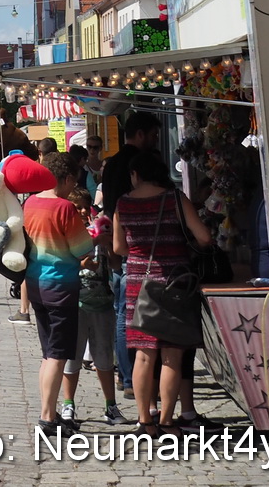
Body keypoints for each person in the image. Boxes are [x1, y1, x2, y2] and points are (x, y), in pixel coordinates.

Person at [112, 149, 211, 436]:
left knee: (143, 356)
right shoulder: (175, 198)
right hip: (175, 283)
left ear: (135, 174)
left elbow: (119, 249)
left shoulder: (123, 203)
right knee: (172, 355)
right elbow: (204, 237)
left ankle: (145, 421)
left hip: (138, 284)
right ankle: (168, 421)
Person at [24, 153, 94, 434]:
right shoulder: (64, 208)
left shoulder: (30, 202)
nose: (71, 189)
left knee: (47, 354)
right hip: (61, 286)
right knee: (57, 355)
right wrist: (95, 238)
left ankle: (49, 412)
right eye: (71, 182)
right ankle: (47, 418)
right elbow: (81, 249)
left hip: (36, 283)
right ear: (64, 179)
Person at [100, 109, 160, 397]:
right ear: (140, 134)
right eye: (153, 134)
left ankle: (127, 377)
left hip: (120, 246)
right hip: (141, 250)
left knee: (122, 313)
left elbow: (110, 208)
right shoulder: (141, 164)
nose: (156, 139)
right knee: (137, 314)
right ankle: (139, 377)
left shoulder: (111, 164)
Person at [60, 187, 125, 427]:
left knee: (104, 357)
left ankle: (111, 406)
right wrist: (81, 263)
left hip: (103, 302)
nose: (80, 211)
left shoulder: (99, 230)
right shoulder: (66, 235)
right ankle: (68, 404)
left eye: (84, 207)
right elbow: (63, 265)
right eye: (75, 208)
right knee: (72, 358)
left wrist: (109, 245)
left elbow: (117, 265)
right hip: (75, 302)